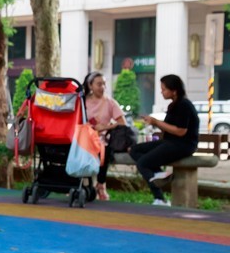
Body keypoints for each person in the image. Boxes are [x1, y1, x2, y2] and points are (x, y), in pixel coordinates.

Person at [130, 74, 199, 207]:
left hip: (183, 144)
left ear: (174, 90)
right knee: (135, 150)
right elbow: (169, 129)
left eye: (164, 89)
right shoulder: (173, 105)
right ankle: (159, 173)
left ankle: (160, 198)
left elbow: (181, 131)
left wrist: (156, 122)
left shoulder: (184, 105)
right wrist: (152, 123)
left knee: (143, 163)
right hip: (170, 142)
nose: (161, 92)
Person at [83, 71, 127, 200]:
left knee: (104, 151)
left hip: (102, 140)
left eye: (104, 84)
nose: (102, 87)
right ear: (90, 85)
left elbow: (122, 124)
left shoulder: (110, 103)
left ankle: (100, 185)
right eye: (99, 84)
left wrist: (106, 127)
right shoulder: (83, 101)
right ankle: (80, 185)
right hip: (84, 138)